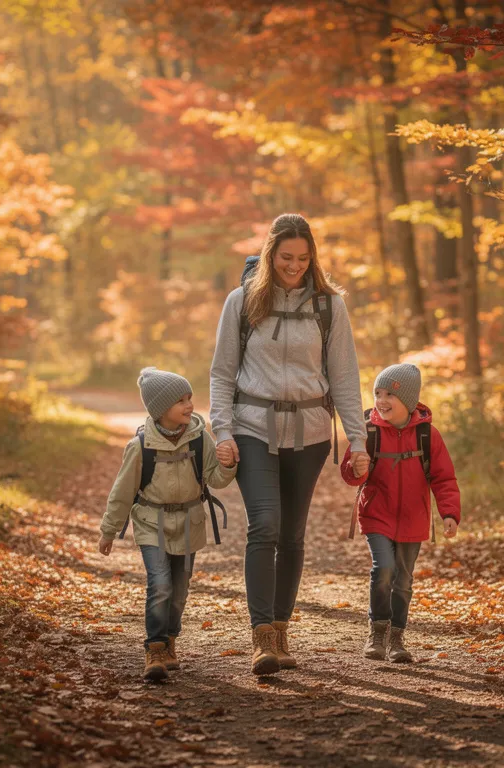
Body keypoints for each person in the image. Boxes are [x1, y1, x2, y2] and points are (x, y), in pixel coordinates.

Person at [209, 213, 367, 675]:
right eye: (285, 257)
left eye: (302, 258)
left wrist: (357, 439)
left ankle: (280, 630)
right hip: (252, 427)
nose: (294, 266)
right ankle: (261, 637)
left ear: (312, 256)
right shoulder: (242, 302)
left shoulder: (329, 306)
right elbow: (222, 373)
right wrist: (222, 430)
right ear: (269, 254)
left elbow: (344, 376)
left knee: (292, 534)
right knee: (265, 524)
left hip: (310, 433)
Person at [99, 367, 236, 681]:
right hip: (152, 523)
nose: (189, 405)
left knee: (179, 590)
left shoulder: (200, 439)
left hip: (189, 523)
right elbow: (122, 493)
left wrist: (228, 465)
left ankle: (170, 638)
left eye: (189, 398)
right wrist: (109, 530)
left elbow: (215, 478)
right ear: (161, 409)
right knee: (160, 585)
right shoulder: (140, 446)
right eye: (180, 401)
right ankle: (156, 647)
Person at [340, 363, 461, 663]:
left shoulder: (427, 435)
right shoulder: (367, 430)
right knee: (383, 569)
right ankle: (377, 632)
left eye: (389, 395)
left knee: (403, 580)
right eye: (378, 393)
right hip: (376, 514)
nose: (381, 400)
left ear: (408, 400)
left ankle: (396, 638)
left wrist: (449, 513)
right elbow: (351, 475)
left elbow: (444, 478)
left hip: (413, 518)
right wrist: (356, 468)